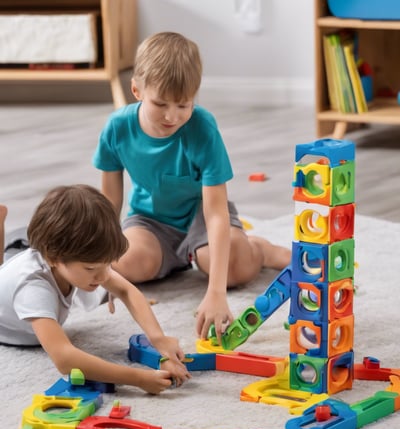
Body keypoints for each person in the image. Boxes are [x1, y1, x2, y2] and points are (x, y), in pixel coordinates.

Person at [93, 32, 291, 344]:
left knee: (232, 270)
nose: (173, 116)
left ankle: (260, 249)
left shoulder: (202, 127)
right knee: (123, 263)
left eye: (184, 105)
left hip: (201, 213)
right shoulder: (117, 128)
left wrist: (216, 292)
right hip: (150, 221)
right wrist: (103, 260)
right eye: (161, 104)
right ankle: (170, 260)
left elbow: (215, 213)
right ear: (136, 90)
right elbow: (110, 200)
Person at [0, 185, 191, 394]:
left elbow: (127, 291)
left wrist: (158, 338)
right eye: (90, 268)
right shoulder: (32, 287)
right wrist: (137, 378)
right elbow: (64, 358)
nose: (102, 277)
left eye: (107, 264)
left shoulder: (75, 263)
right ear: (53, 257)